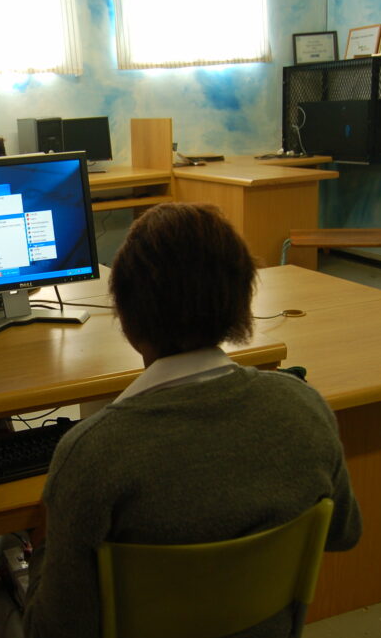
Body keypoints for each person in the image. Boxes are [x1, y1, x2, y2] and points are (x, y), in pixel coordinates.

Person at [23, 203, 361, 638]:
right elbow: (344, 533)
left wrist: (43, 543)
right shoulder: (306, 409)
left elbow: (53, 631)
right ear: (241, 302)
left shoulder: (91, 454)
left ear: (126, 316)